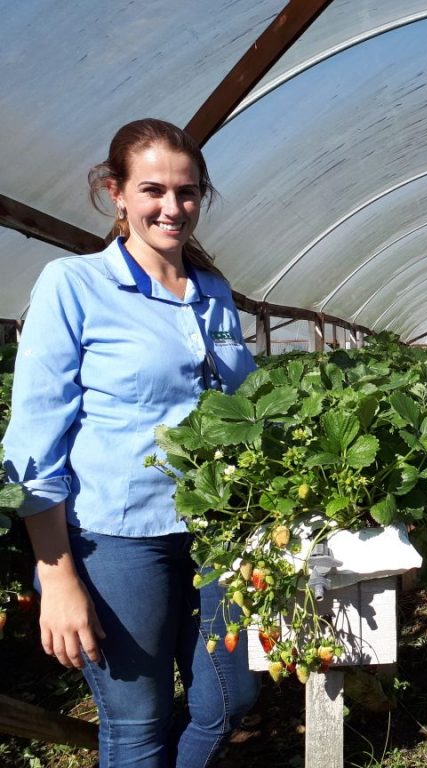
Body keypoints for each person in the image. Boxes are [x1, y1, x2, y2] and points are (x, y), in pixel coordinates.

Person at [3, 119, 260, 767]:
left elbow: (246, 404)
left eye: (188, 192)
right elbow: (32, 444)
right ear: (115, 192)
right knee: (138, 725)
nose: (172, 208)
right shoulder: (75, 286)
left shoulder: (214, 294)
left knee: (230, 699)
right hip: (118, 540)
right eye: (154, 191)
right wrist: (56, 578)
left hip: (217, 532)